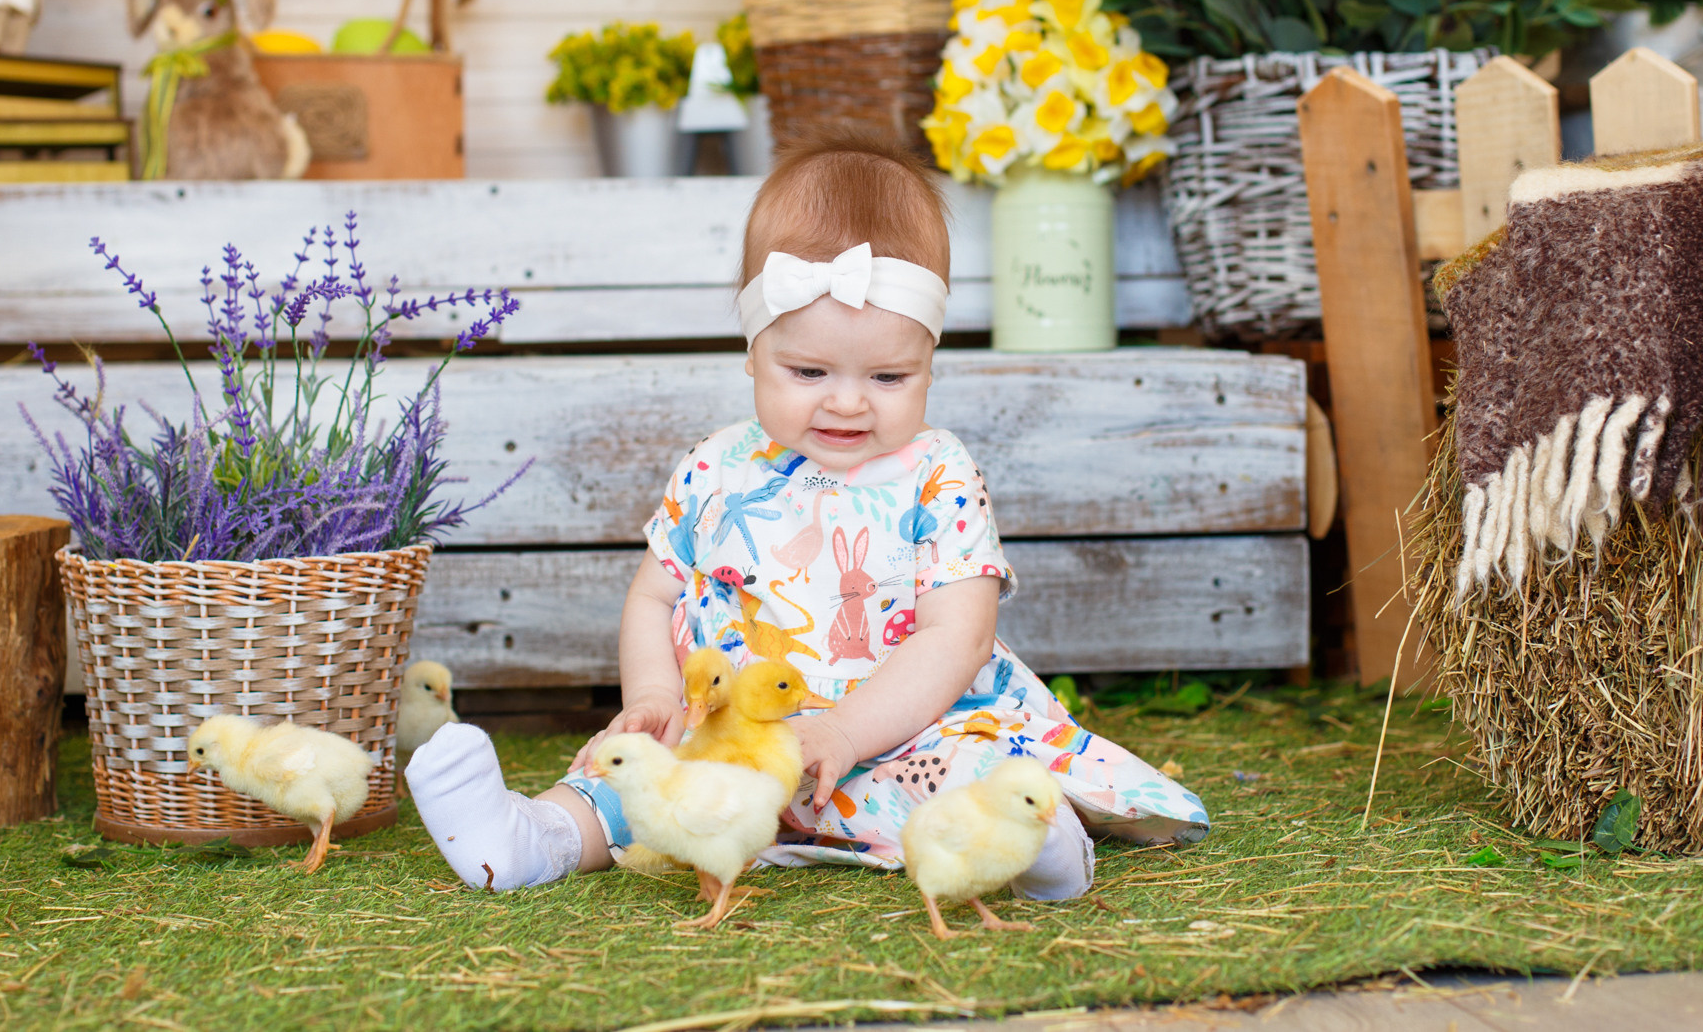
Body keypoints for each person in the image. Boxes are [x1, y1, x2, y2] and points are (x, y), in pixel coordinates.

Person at [409, 126, 1209, 891]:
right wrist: (652, 694)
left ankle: (1030, 844)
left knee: (967, 777)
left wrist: (843, 731)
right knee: (640, 775)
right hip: (732, 742)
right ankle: (530, 837)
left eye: (888, 377)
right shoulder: (715, 466)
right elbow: (655, 595)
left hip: (903, 735)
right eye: (809, 371)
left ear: (930, 361)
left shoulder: (938, 473)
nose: (848, 401)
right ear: (753, 351)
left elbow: (957, 635)